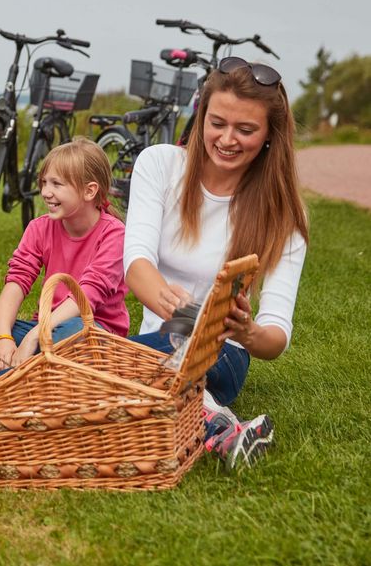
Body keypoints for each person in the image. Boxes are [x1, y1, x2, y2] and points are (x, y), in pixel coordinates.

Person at [124, 56, 308, 470]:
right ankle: (213, 420)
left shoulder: (284, 216)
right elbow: (136, 263)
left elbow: (276, 337)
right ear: (201, 117)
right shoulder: (159, 165)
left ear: (268, 137)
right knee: (143, 369)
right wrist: (181, 311)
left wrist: (247, 330)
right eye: (217, 123)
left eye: (245, 130)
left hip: (223, 353)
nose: (227, 139)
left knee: (100, 371)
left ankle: (206, 418)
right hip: (159, 340)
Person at [0, 138, 128, 375]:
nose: (45, 192)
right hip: (45, 328)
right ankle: (25, 371)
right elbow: (16, 283)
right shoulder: (39, 228)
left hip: (93, 334)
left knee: (72, 332)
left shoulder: (114, 234)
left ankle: (6, 376)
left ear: (89, 190)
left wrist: (33, 337)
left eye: (57, 184)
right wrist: (3, 338)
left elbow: (86, 299)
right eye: (44, 183)